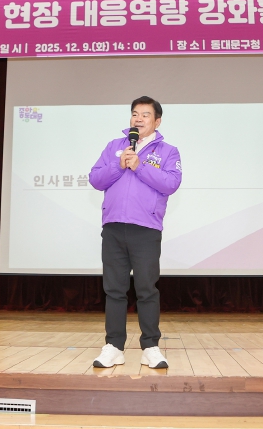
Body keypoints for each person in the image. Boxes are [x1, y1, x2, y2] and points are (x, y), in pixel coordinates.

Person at [89, 96, 182, 369]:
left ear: (157, 121)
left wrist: (140, 166)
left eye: (145, 114)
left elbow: (171, 183)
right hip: (114, 227)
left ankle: (150, 347)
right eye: (134, 114)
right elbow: (95, 179)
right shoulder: (114, 147)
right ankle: (114, 347)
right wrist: (118, 165)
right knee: (114, 290)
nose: (138, 119)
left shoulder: (168, 151)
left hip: (146, 229)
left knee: (146, 290)